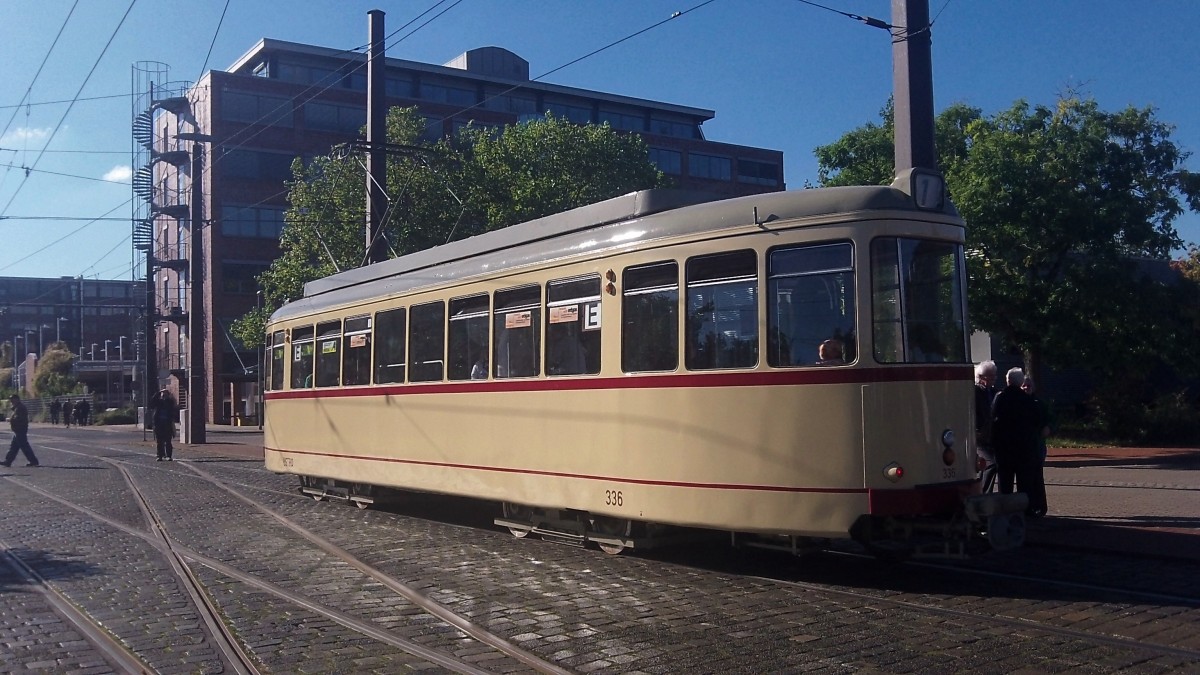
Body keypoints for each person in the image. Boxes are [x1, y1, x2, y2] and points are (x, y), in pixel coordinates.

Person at [990, 367, 1047, 517]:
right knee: (1025, 483)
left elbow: (993, 419)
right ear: (1021, 381)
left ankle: (1005, 511)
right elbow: (1037, 421)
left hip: (1004, 449)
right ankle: (1026, 511)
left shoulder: (999, 398)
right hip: (1024, 449)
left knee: (1005, 483)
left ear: (1007, 381)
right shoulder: (1028, 400)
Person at [1021, 376, 1053, 516]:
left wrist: (1049, 428)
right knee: (1025, 477)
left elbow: (1051, 419)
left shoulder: (1039, 403)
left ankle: (1039, 506)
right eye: (1024, 386)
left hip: (1038, 445)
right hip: (1024, 446)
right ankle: (1027, 505)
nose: (1026, 388)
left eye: (1028, 385)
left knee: (1037, 476)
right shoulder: (1017, 403)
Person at [974, 360, 998, 492]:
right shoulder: (974, 392)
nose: (994, 379)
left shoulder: (994, 393)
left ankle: (982, 493)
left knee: (988, 466)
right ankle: (982, 493)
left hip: (991, 437)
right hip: (979, 438)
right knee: (991, 465)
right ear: (982, 377)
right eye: (991, 376)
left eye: (995, 376)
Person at [1, 394, 39, 468]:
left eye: (13, 399)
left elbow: (19, 419)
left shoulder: (20, 408)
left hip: (20, 429)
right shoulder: (17, 408)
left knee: (24, 446)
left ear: (17, 399)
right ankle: (8, 461)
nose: (11, 401)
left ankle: (33, 461)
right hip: (18, 430)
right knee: (14, 447)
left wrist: (10, 419)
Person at [149, 388, 178, 461]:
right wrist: (158, 393)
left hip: (168, 424)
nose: (164, 395)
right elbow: (152, 403)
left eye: (165, 394)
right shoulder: (158, 402)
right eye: (163, 394)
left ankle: (169, 455)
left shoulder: (170, 402)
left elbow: (173, 407)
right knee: (159, 441)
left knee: (168, 441)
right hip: (159, 424)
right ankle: (160, 455)